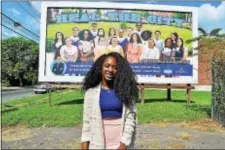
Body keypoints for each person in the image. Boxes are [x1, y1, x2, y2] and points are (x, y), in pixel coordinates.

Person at [81, 52, 138, 149]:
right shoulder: (90, 93)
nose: (110, 70)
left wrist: (123, 144)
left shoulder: (126, 90)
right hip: (97, 143)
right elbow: (87, 122)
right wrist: (84, 144)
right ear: (101, 67)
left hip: (120, 144)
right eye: (107, 66)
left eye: (115, 67)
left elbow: (130, 118)